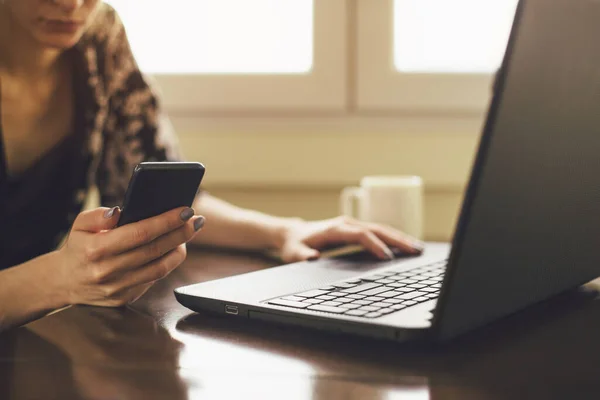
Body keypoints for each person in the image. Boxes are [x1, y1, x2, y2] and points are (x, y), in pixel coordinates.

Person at [0, 0, 423, 331]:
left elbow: (172, 201)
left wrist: (284, 231)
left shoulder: (99, 37)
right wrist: (62, 278)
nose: (71, 5)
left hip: (31, 329)